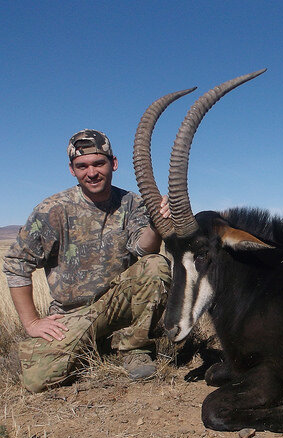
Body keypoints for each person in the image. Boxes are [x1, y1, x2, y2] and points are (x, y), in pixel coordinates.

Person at [3, 129, 172, 393]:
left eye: (98, 163)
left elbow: (142, 249)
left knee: (155, 264)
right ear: (72, 170)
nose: (91, 172)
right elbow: (16, 264)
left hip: (117, 305)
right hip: (73, 316)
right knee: (37, 380)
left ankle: (134, 347)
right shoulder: (52, 209)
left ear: (113, 163)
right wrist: (32, 323)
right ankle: (97, 345)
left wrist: (157, 223)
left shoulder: (133, 204)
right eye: (82, 166)